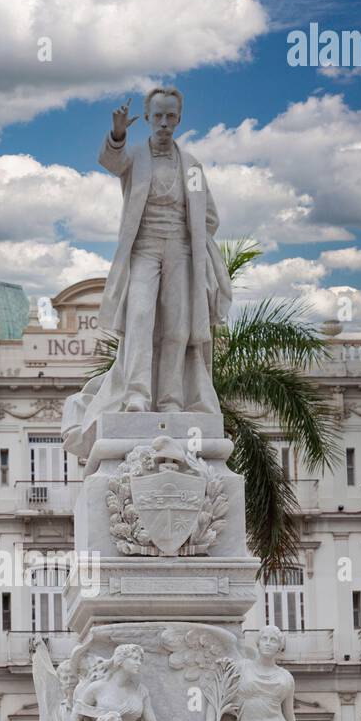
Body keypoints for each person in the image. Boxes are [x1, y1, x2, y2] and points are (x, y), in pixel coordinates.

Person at [62, 87, 232, 455]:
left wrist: (194, 237)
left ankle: (171, 399)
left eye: (170, 116)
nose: (164, 123)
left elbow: (209, 216)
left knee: (177, 326)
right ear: (149, 117)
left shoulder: (192, 166)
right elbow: (111, 161)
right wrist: (118, 133)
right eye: (158, 116)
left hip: (181, 251)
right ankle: (137, 395)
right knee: (139, 317)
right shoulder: (136, 157)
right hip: (144, 249)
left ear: (179, 119)